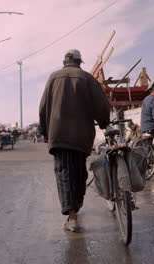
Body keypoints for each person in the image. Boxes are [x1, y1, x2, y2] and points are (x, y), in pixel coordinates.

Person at [39, 49, 110, 232]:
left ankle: (72, 216)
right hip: (82, 136)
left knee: (64, 173)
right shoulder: (87, 78)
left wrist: (44, 131)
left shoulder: (53, 78)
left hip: (59, 135)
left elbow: (43, 106)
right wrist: (104, 122)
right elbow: (101, 104)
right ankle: (75, 210)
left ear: (65, 61)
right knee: (79, 173)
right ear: (79, 62)